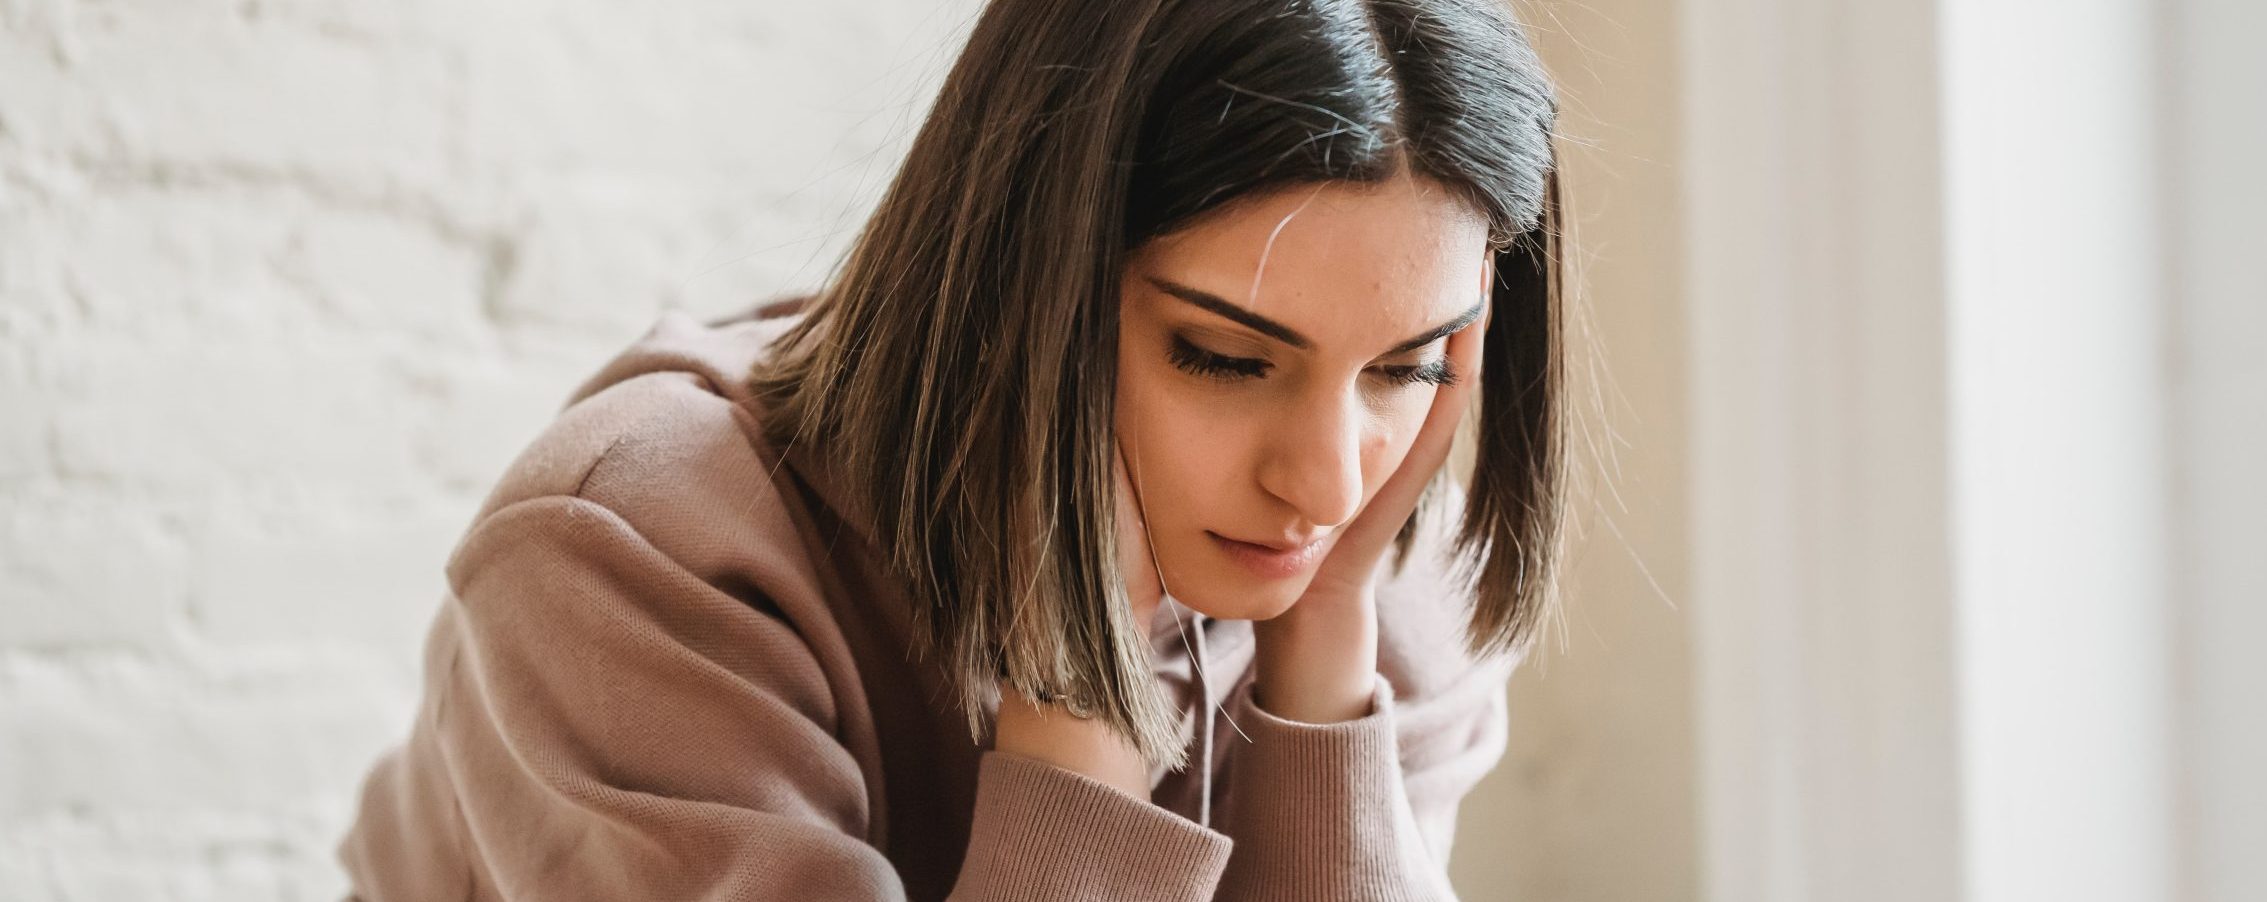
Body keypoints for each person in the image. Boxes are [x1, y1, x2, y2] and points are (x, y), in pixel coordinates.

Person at [339, 0, 1569, 897]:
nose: (1330, 483)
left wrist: (1324, 703)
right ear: (1014, 279)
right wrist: (1079, 721)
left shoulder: (1387, 582)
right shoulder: (633, 562)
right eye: (1224, 356)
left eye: (1405, 365)